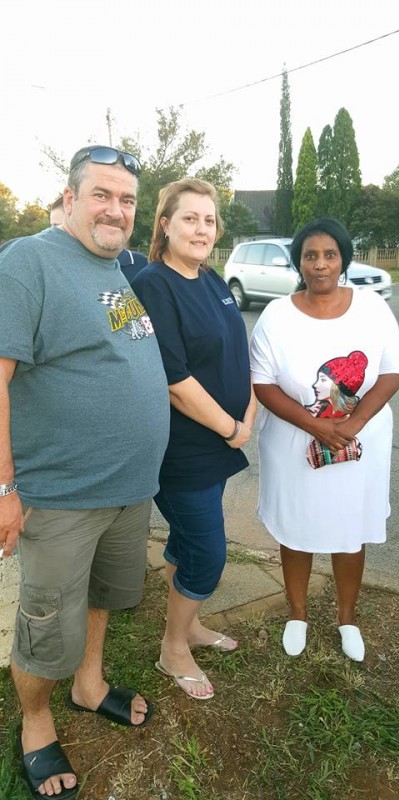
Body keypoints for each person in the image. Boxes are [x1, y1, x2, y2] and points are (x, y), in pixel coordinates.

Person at [0, 145, 170, 799]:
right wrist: (5, 488)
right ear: (69, 198)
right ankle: (35, 722)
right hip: (62, 496)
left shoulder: (114, 269)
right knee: (46, 624)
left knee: (102, 597)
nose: (116, 210)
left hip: (128, 491)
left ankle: (89, 684)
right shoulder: (29, 262)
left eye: (127, 200)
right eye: (101, 194)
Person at [249, 217, 399, 663]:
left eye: (330, 255)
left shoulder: (372, 308)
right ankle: (297, 614)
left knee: (349, 530)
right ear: (298, 262)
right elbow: (262, 382)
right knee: (296, 526)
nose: (320, 264)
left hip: (360, 443)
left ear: (343, 259)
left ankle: (347, 618)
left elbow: (392, 371)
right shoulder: (277, 315)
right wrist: (316, 425)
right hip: (293, 443)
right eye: (310, 256)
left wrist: (353, 425)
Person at [131, 178, 256, 700]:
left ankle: (190, 625)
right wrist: (233, 428)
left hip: (219, 444)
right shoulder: (153, 286)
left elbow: (235, 352)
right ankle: (172, 648)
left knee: (185, 541)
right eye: (190, 218)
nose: (202, 229)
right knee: (207, 553)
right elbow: (174, 381)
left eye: (209, 220)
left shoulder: (210, 279)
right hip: (182, 450)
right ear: (165, 225)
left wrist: (248, 409)